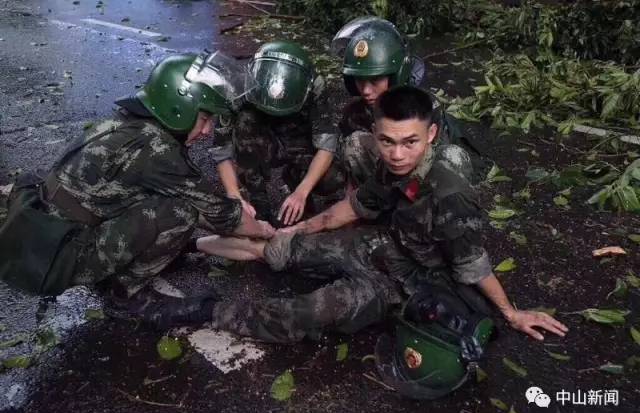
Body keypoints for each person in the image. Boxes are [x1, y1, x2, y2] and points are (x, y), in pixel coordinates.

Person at [148, 86, 568, 344]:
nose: (397, 154)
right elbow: (350, 208)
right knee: (278, 248)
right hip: (381, 245)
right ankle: (191, 244)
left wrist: (511, 312)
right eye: (387, 140)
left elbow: (473, 266)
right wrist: (299, 229)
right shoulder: (390, 164)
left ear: (432, 135)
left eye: (409, 142)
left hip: (403, 286)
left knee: (305, 314)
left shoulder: (450, 193)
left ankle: (207, 311)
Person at [0, 52, 274, 298]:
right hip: (54, 260)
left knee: (172, 202)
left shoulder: (127, 123)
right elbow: (222, 215)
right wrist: (262, 230)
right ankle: (122, 292)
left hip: (40, 237)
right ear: (180, 108)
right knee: (179, 213)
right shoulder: (158, 150)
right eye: (204, 119)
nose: (207, 131)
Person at [331, 17, 488, 187]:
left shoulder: (423, 107)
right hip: (385, 178)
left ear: (394, 77)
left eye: (375, 81)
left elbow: (428, 163)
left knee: (452, 157)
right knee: (353, 144)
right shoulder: (355, 112)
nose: (366, 91)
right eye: (360, 81)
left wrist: (407, 200)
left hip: (424, 182)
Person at [211, 41, 344, 226]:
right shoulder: (237, 86)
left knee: (334, 177)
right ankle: (259, 200)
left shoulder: (314, 84)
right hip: (259, 136)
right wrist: (234, 195)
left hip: (298, 138)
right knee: (245, 120)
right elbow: (221, 149)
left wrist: (302, 192)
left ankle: (297, 181)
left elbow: (327, 144)